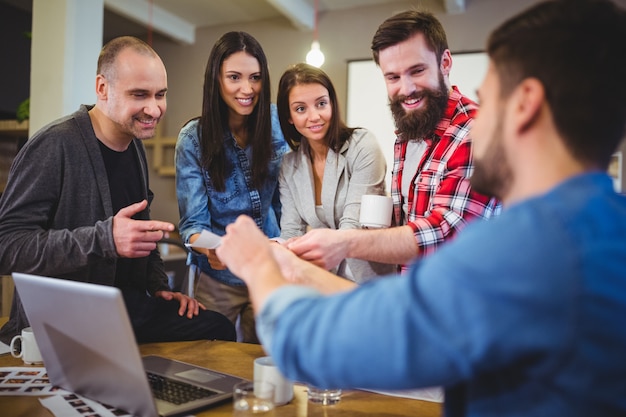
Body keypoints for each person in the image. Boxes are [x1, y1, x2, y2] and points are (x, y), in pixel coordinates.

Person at [215, 0, 626, 415]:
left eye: (489, 100)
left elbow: (310, 345)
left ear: (525, 104)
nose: (475, 120)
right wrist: (302, 263)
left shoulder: (524, 249)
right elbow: (409, 305)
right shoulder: (605, 226)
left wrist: (257, 264)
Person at [0, 36, 236, 345]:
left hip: (122, 310)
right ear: (102, 88)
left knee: (216, 327)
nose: (154, 108)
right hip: (64, 321)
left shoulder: (133, 146)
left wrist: (158, 287)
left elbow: (142, 233)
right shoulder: (55, 145)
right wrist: (104, 238)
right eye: (139, 94)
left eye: (160, 94)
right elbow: (7, 245)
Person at [283, 10, 500, 281]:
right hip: (413, 296)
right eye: (393, 77)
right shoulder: (409, 131)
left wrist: (346, 242)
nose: (406, 89)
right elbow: (408, 224)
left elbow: (444, 234)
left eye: (417, 70)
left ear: (445, 62)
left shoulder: (475, 131)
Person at [175, 31, 288, 343]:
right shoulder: (193, 139)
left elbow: (287, 201)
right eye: (234, 77)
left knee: (270, 362)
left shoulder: (276, 121)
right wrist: (215, 248)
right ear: (216, 80)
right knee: (213, 363)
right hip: (217, 278)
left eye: (255, 77)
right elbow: (192, 225)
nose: (247, 88)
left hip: (269, 268)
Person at [276, 63, 394, 284]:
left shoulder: (362, 145)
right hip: (323, 278)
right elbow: (291, 232)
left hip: (370, 278)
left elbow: (353, 225)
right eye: (301, 109)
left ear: (332, 103)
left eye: (321, 104)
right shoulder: (289, 165)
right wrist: (279, 248)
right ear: (289, 116)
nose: (314, 116)